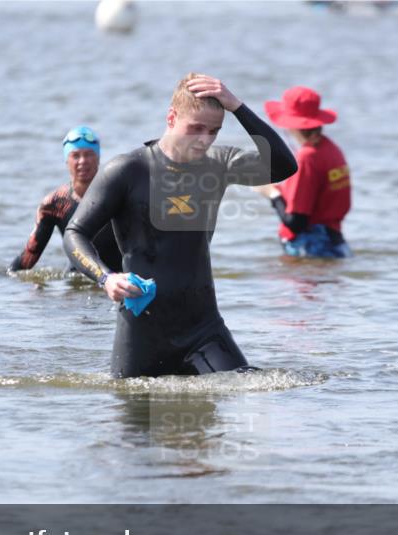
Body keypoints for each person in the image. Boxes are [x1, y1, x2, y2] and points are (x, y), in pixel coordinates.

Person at [63, 73, 297, 378]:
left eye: (213, 131)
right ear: (171, 118)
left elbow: (284, 165)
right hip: (142, 330)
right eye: (195, 128)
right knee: (135, 418)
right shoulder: (128, 170)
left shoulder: (219, 163)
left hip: (204, 329)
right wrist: (106, 278)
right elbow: (74, 234)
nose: (204, 139)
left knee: (248, 388)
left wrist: (237, 106)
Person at [255, 86, 352, 258]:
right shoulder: (330, 148)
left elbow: (296, 223)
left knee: (296, 283)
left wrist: (271, 193)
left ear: (290, 126)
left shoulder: (307, 158)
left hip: (311, 246)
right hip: (334, 240)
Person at [9, 126, 122, 274]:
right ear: (66, 160)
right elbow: (30, 256)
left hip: (117, 278)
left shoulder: (117, 194)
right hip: (76, 281)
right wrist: (3, 274)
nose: (83, 161)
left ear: (98, 157)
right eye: (75, 155)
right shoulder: (55, 203)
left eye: (89, 154)